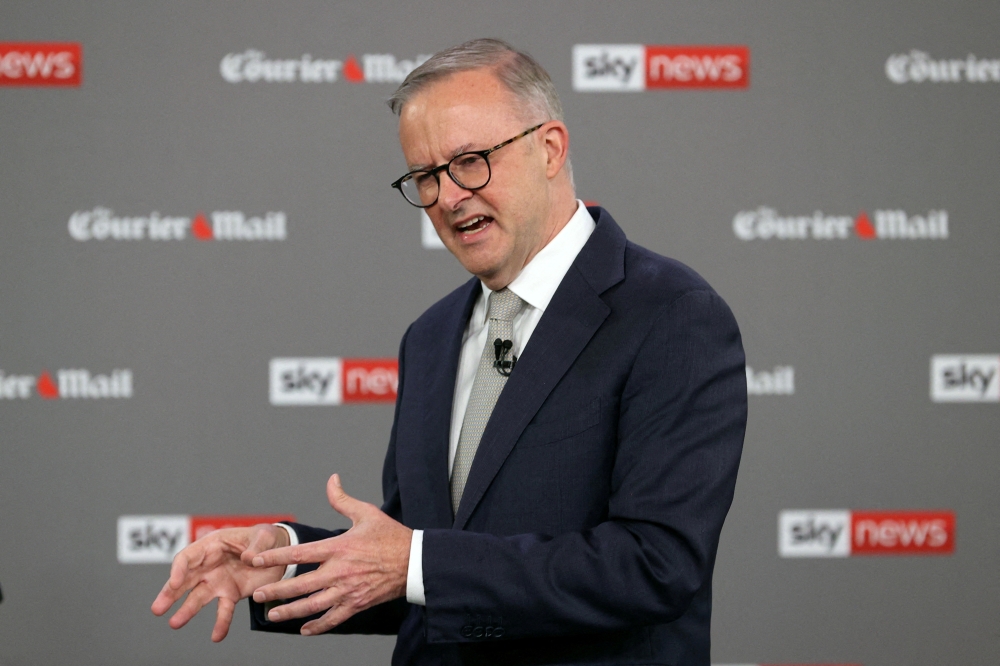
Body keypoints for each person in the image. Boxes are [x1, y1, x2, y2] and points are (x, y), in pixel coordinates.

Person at [152, 38, 747, 666]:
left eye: (469, 161)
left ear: (550, 148)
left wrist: (414, 562)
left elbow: (655, 567)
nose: (448, 196)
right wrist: (280, 561)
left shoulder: (671, 315)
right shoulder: (431, 336)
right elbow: (417, 568)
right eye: (425, 176)